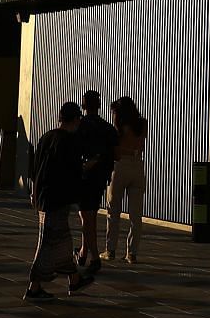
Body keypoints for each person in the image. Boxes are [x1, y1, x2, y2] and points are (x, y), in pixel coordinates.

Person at [26, 102, 90, 301]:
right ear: (76, 119)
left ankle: (74, 278)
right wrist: (87, 167)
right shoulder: (68, 141)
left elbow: (35, 167)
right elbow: (71, 172)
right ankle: (34, 287)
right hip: (57, 198)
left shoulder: (47, 136)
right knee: (48, 242)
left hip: (44, 196)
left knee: (62, 241)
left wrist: (34, 193)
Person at [74, 90, 116, 275]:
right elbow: (114, 154)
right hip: (100, 178)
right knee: (89, 215)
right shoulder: (107, 128)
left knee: (86, 218)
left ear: (83, 105)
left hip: (83, 177)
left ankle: (95, 256)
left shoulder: (80, 126)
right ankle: (83, 252)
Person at [104, 97, 148, 263]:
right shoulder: (142, 124)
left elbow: (115, 150)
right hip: (138, 166)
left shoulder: (119, 126)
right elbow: (141, 146)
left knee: (113, 211)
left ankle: (110, 250)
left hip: (121, 165)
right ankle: (132, 253)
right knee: (136, 215)